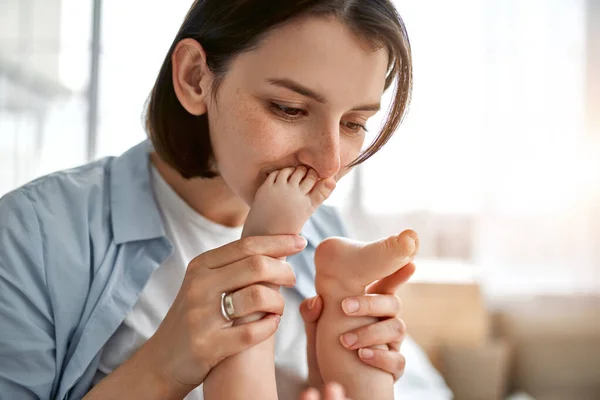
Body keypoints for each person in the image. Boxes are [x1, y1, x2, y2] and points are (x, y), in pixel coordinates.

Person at [0, 0, 452, 399]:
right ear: (195, 78)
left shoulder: (327, 237)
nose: (329, 162)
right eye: (289, 109)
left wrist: (331, 379)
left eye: (354, 123)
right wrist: (163, 368)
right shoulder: (32, 236)